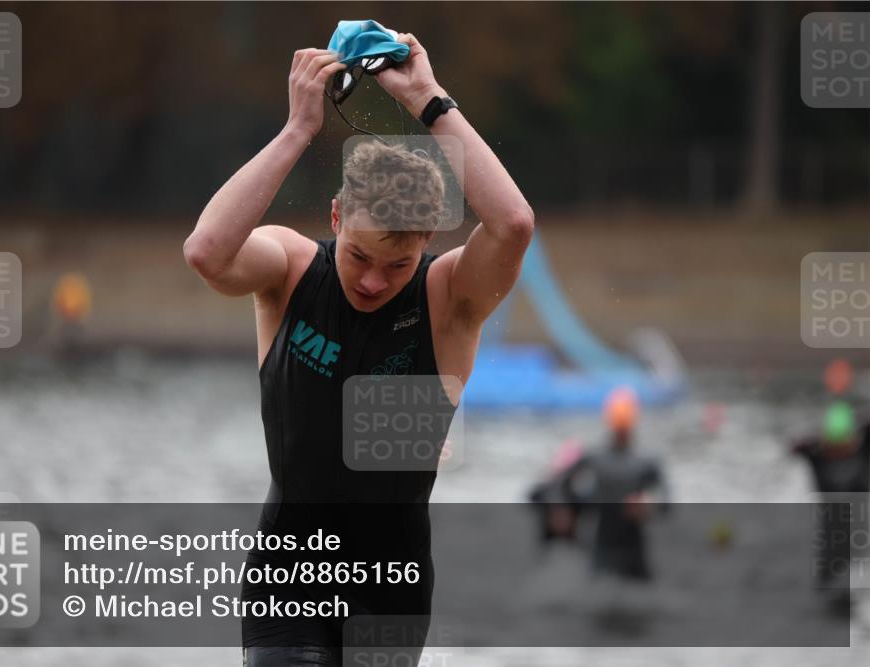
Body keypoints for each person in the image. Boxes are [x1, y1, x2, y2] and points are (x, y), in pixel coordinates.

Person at [183, 34, 534, 666]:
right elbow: (207, 253)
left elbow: (512, 224)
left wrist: (427, 98)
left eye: (396, 265)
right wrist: (297, 130)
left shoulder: (447, 299)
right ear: (338, 216)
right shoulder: (290, 269)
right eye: (360, 257)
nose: (373, 281)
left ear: (426, 239)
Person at [557, 388, 669, 582]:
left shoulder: (646, 462)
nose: (621, 432)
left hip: (631, 549)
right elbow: (561, 486)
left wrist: (649, 505)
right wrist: (567, 511)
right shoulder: (595, 458)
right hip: (604, 546)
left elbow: (666, 502)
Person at [791, 401, 869, 595]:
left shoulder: (864, 451)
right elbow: (794, 447)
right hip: (832, 535)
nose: (838, 450)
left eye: (843, 443)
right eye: (834, 444)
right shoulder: (817, 457)